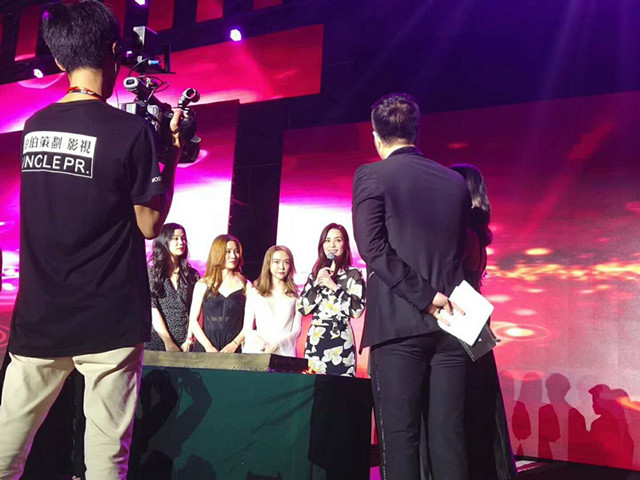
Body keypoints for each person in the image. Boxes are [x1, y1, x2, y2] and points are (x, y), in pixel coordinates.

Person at [0, 1, 184, 479]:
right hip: (109, 318)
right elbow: (150, 225)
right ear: (114, 52)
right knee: (105, 460)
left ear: (60, 59)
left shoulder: (34, 127)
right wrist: (171, 157)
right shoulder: (130, 132)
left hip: (40, 315)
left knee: (5, 453)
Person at [352, 92, 469, 480]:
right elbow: (458, 251)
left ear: (376, 136)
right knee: (449, 440)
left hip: (399, 326)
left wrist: (426, 297)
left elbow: (372, 248)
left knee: (400, 440)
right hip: (454, 326)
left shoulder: (371, 175)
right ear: (416, 131)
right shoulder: (454, 181)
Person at [450, 164, 517, 480]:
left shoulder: (463, 235)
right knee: (476, 401)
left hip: (461, 323)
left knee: (463, 402)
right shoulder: (475, 234)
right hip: (474, 324)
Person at [297, 223, 365, 376]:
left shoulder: (353, 274)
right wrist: (316, 284)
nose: (332, 245)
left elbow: (357, 310)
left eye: (337, 240)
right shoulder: (315, 275)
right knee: (315, 385)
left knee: (341, 387)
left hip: (341, 338)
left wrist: (334, 287)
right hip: (317, 339)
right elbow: (303, 308)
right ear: (322, 246)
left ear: (345, 245)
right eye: (327, 240)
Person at [146, 223, 200, 352]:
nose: (181, 242)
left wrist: (189, 339)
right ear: (164, 241)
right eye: (176, 238)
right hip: (158, 340)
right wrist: (168, 341)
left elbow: (195, 309)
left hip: (186, 342)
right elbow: (152, 308)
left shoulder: (192, 275)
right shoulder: (152, 273)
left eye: (183, 238)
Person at [189, 234, 248, 353]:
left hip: (233, 349)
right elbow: (193, 320)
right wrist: (208, 346)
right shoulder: (203, 284)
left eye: (236, 251)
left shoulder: (246, 285)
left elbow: (248, 324)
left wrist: (234, 345)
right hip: (206, 347)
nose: (233, 256)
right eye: (228, 252)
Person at [240, 245, 302, 356]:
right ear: (268, 264)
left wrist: (278, 344)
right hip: (258, 351)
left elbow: (297, 329)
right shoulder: (255, 293)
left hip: (284, 352)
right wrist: (264, 344)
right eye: (276, 262)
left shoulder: (296, 295)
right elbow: (247, 329)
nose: (281, 267)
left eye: (286, 262)